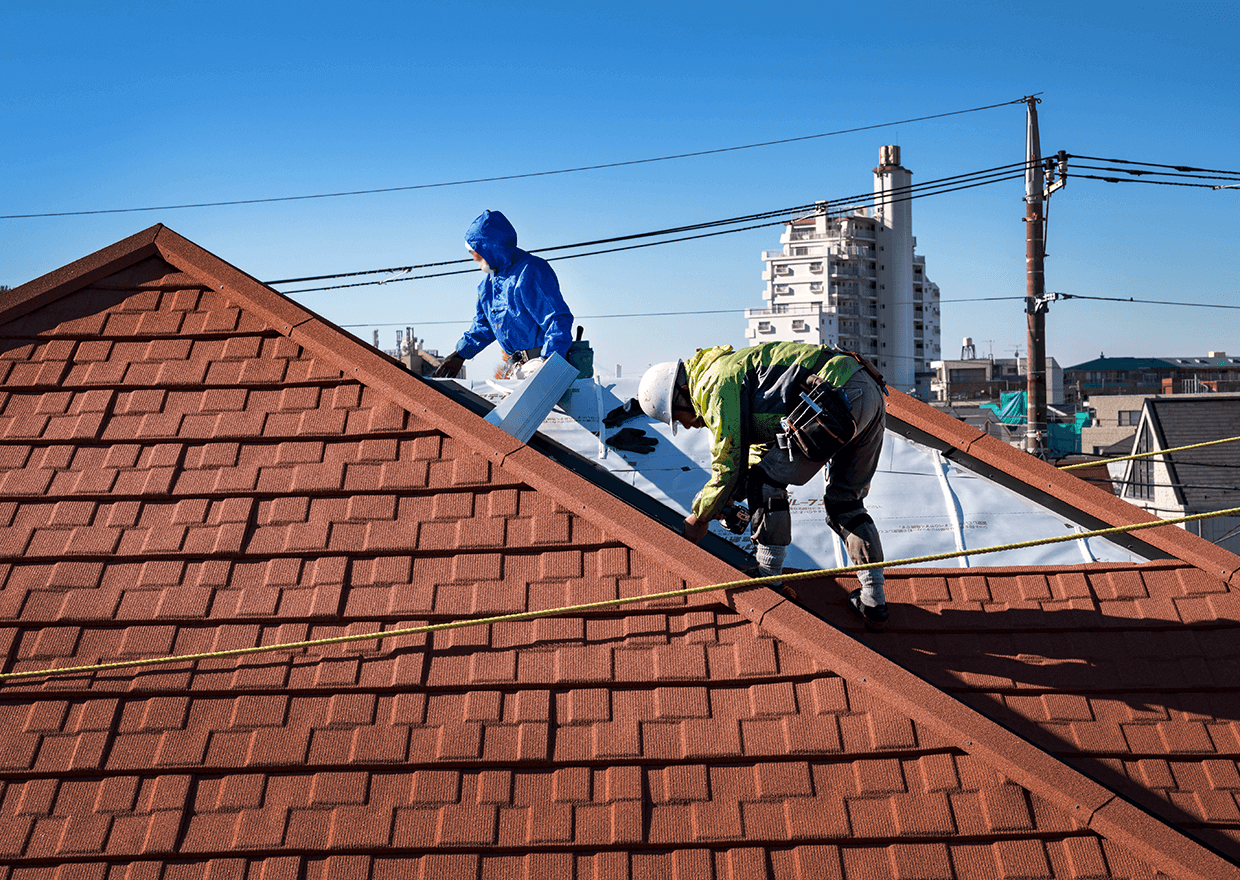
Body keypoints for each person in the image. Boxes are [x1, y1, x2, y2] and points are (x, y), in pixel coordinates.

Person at [637, 341, 890, 629]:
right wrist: (733, 494)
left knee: (765, 482)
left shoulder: (714, 383)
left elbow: (728, 462)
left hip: (835, 394)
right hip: (867, 392)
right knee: (846, 502)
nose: (685, 425)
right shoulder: (730, 371)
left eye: (677, 418)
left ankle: (769, 576)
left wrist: (700, 517)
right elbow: (760, 451)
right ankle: (873, 598)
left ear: (681, 395)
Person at [433, 210, 573, 380]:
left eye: (473, 251)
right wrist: (459, 354)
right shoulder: (487, 286)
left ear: (488, 248)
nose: (473, 258)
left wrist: (550, 363)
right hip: (517, 369)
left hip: (541, 366)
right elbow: (483, 327)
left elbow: (557, 318)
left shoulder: (530, 271)